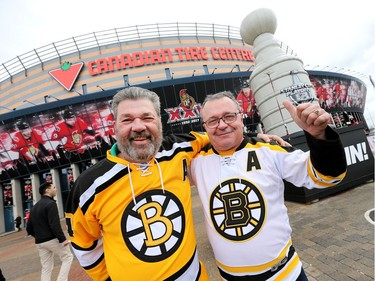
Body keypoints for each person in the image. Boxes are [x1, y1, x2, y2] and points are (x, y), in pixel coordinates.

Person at [65, 87, 288, 281]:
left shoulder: (178, 150)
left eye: (147, 117)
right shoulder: (88, 186)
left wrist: (255, 138)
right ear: (114, 126)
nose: (139, 126)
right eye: (127, 119)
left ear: (159, 123)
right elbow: (84, 245)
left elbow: (219, 132)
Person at [190, 91, 347, 281]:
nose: (222, 125)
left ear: (241, 117)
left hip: (285, 275)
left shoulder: (270, 150)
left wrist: (319, 135)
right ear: (204, 127)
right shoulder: (195, 162)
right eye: (213, 121)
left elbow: (328, 177)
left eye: (229, 116)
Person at [26, 182, 73, 281]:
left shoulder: (34, 207)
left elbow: (28, 228)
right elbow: (54, 224)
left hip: (39, 242)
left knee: (46, 267)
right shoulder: (51, 204)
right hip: (51, 239)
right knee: (67, 257)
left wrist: (39, 237)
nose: (56, 189)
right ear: (47, 190)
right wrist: (63, 239)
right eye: (54, 187)